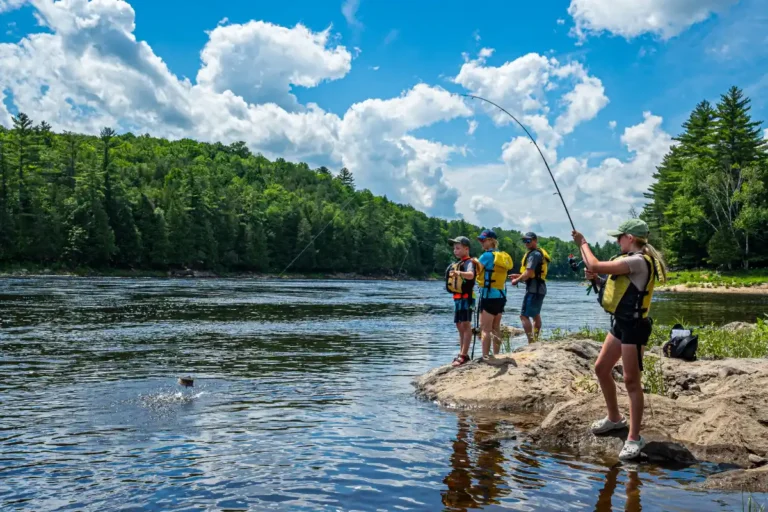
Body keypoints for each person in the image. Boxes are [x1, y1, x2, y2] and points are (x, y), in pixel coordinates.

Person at [572, 219, 667, 460]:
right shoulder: (629, 260)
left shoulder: (637, 261)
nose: (617, 241)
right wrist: (595, 279)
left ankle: (634, 437)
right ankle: (615, 419)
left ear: (631, 238)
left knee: (631, 381)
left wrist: (582, 243)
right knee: (602, 368)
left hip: (635, 328)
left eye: (619, 237)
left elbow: (593, 262)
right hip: (621, 324)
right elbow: (613, 284)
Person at [474, 229, 514, 360]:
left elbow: (475, 272)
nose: (481, 243)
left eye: (483, 240)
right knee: (496, 327)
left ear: (491, 241)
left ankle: (485, 357)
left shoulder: (486, 256)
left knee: (485, 328)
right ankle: (497, 355)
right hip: (501, 295)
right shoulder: (502, 257)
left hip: (488, 295)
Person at [510, 232, 550, 344]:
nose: (526, 243)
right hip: (540, 288)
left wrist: (516, 280)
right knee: (536, 314)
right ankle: (535, 340)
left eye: (529, 241)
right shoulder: (537, 254)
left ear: (535, 241)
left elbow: (529, 273)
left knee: (524, 316)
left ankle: (531, 342)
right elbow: (532, 274)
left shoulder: (534, 255)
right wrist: (519, 275)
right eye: (525, 241)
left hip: (534, 289)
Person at [446, 236, 476, 366]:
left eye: (458, 248)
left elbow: (471, 275)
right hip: (457, 298)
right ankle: (462, 353)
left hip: (466, 298)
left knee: (465, 325)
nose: (455, 251)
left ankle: (463, 355)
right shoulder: (458, 264)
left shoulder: (469, 262)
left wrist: (459, 273)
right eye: (454, 248)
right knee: (459, 325)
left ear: (466, 249)